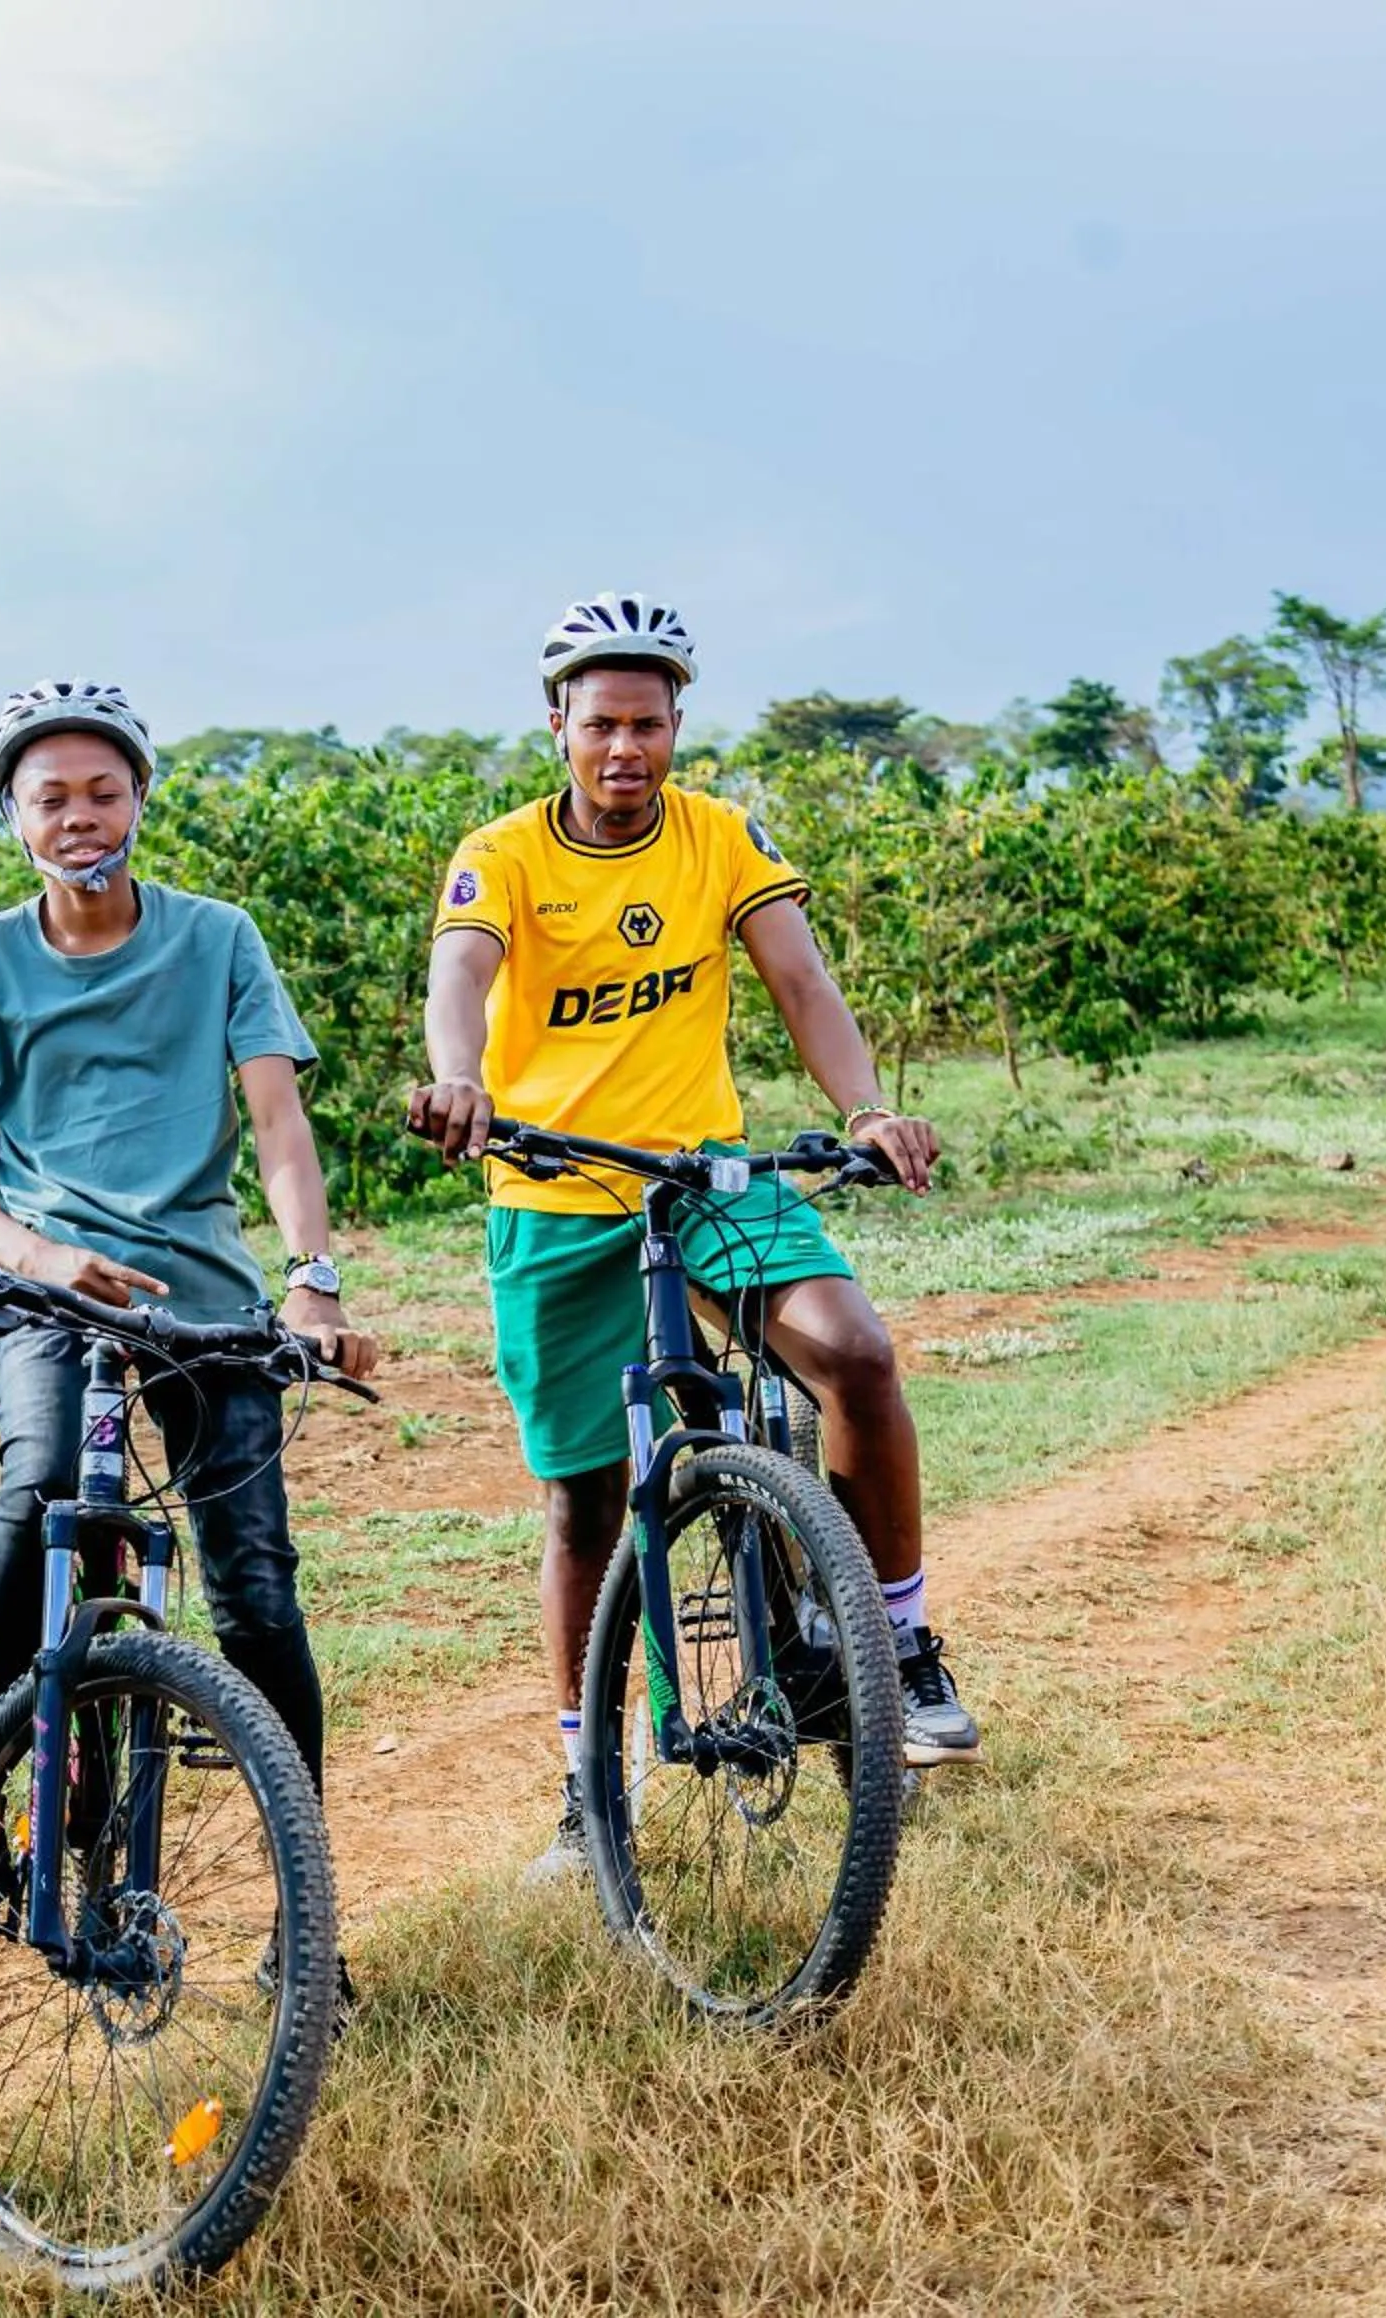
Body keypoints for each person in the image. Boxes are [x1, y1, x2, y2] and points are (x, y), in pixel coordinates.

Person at [405, 594, 979, 1883]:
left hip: (705, 1175)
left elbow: (801, 980)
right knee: (584, 1503)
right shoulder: (500, 854)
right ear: (556, 722)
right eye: (600, 722)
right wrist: (462, 1081)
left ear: (676, 728)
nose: (625, 748)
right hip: (557, 1193)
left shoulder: (718, 834)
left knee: (859, 1355)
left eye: (649, 724)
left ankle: (899, 1642)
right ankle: (582, 1783)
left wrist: (869, 1108)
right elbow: (463, 976)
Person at [0, 680, 380, 1949]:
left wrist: (312, 1277)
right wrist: (35, 1254)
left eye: (105, 790)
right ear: (13, 817)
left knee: (256, 1588)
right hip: (51, 1292)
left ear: (141, 800)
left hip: (206, 1293)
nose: (80, 815)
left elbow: (276, 1121)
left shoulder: (218, 938)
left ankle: (301, 1913)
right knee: (37, 1488)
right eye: (51, 797)